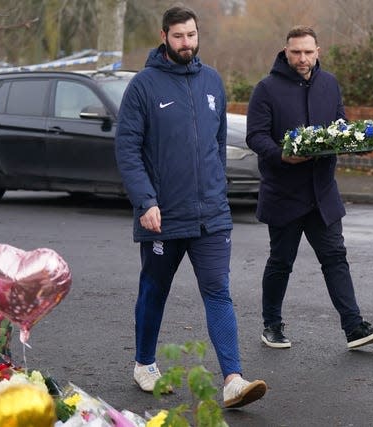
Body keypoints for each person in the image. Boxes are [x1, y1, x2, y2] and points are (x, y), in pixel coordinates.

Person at [114, 6, 267, 409]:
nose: (187, 43)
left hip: (212, 215)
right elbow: (127, 149)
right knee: (155, 289)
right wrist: (146, 200)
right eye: (179, 36)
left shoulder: (212, 80)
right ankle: (144, 362)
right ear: (164, 36)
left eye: (192, 35)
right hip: (162, 215)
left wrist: (217, 188)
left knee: (219, 291)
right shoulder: (143, 87)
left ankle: (233, 379)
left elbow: (216, 144)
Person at [245, 25, 373, 350]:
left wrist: (358, 143)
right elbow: (255, 136)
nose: (302, 58)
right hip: (284, 193)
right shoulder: (266, 89)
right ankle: (272, 325)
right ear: (286, 51)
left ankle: (354, 328)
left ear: (318, 51)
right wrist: (282, 155)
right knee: (281, 261)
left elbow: (339, 125)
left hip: (322, 194)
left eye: (308, 52)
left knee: (335, 257)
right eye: (296, 52)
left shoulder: (329, 84)